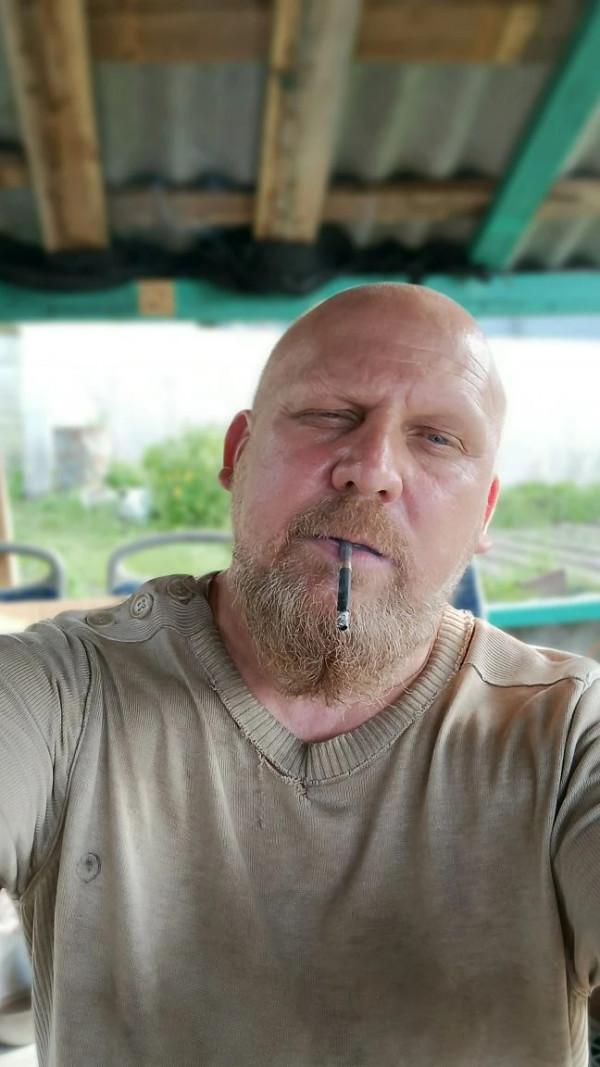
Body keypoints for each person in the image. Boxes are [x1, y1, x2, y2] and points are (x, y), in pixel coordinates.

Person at [0, 282, 599, 1067]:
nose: (371, 470)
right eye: (328, 414)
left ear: (484, 514)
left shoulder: (568, 733)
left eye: (437, 438)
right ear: (237, 454)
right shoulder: (63, 693)